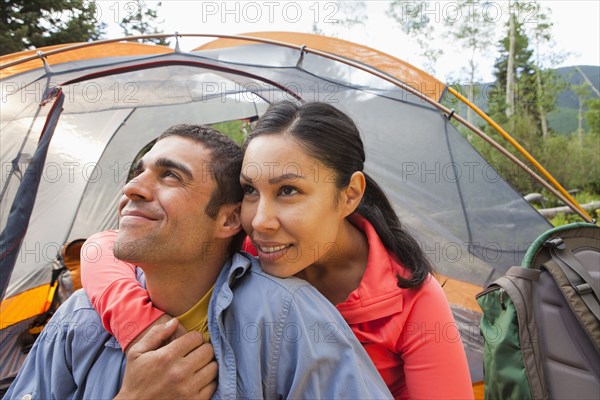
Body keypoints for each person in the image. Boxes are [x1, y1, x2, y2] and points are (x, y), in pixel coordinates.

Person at [80, 102, 474, 399]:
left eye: (289, 191)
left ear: (349, 194)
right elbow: (103, 248)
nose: (261, 219)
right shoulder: (249, 244)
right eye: (251, 190)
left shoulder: (414, 303)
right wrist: (141, 328)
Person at [4, 124, 392, 400]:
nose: (131, 188)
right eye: (141, 171)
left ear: (227, 219)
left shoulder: (288, 318)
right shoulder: (79, 319)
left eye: (170, 176)